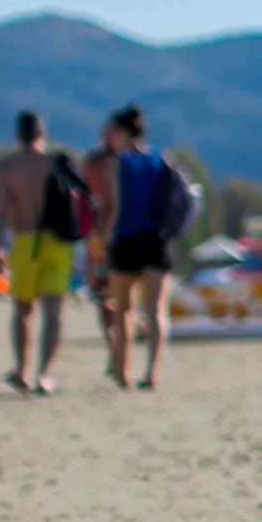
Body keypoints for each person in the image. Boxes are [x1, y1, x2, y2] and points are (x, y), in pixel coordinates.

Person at [0, 110, 86, 395]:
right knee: (53, 312)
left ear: (17, 135)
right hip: (57, 241)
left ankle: (22, 369)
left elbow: (1, 212)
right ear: (43, 134)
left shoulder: (5, 167)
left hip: (24, 240)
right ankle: (45, 374)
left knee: (23, 310)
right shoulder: (57, 163)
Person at [92, 105, 186, 391]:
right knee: (156, 310)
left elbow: (113, 208)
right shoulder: (162, 160)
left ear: (122, 132)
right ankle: (151, 373)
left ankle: (123, 371)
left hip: (126, 239)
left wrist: (100, 241)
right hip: (157, 241)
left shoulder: (116, 163)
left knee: (124, 309)